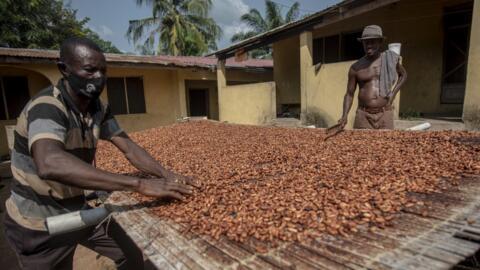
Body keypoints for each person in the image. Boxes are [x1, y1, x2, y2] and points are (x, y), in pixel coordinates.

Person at [3, 37, 196, 269]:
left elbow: (128, 147)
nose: (99, 78)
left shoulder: (97, 107)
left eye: (103, 71)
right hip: (39, 223)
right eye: (90, 70)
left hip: (77, 208)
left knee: (130, 255)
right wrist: (139, 185)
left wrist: (166, 175)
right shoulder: (48, 106)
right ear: (64, 69)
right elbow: (49, 162)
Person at [334, 25, 407, 130]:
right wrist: (344, 115)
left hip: (385, 113)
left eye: (373, 41)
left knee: (386, 145)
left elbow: (403, 75)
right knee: (361, 145)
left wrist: (393, 93)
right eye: (366, 42)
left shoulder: (389, 60)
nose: (369, 45)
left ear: (380, 42)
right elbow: (349, 94)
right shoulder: (356, 67)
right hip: (363, 115)